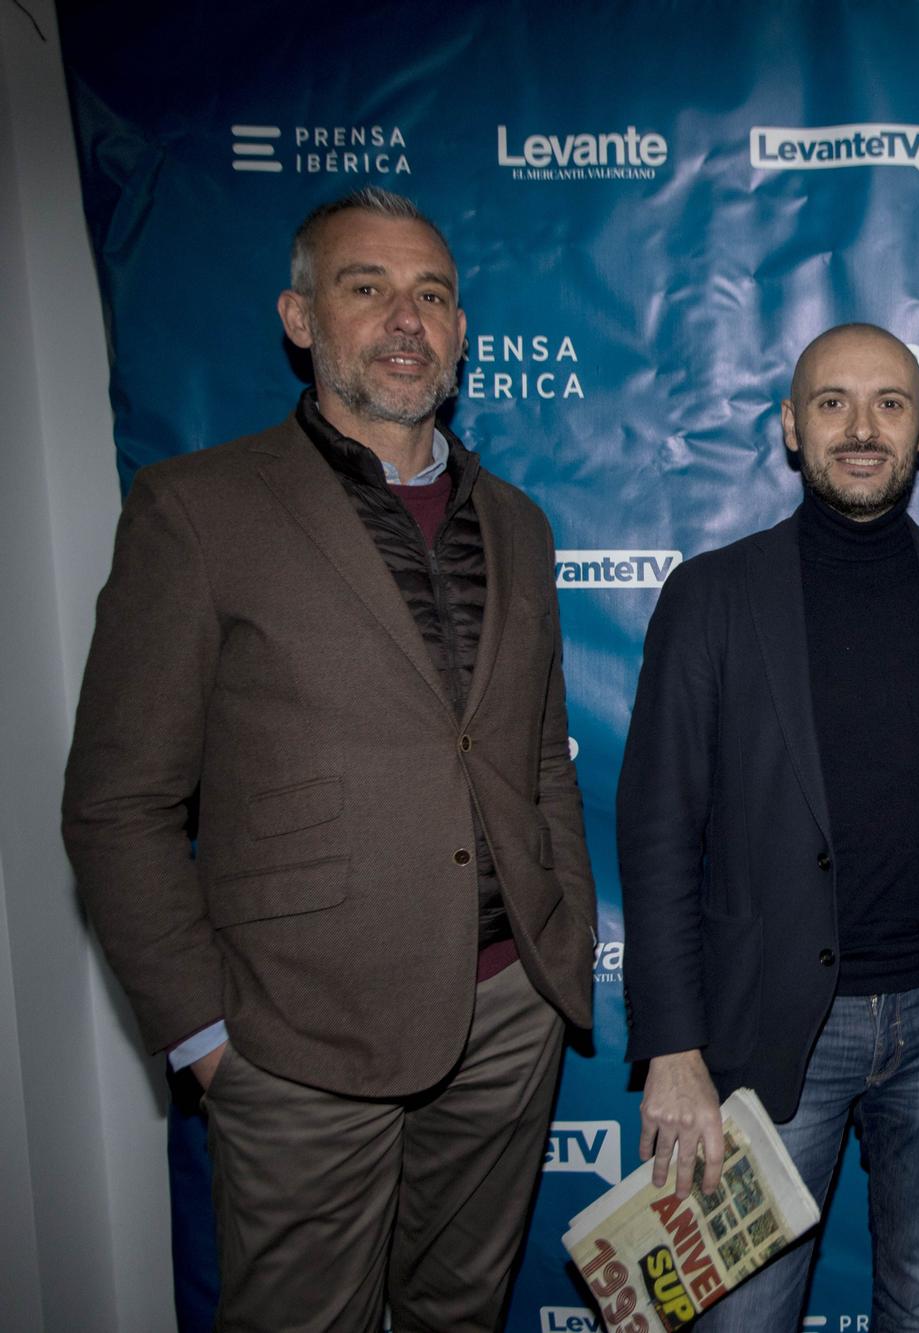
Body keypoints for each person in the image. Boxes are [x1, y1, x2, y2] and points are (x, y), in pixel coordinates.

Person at [62, 186, 597, 1331]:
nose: (407, 318)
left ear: (461, 333)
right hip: (296, 1040)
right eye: (368, 288)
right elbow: (119, 804)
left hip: (506, 1016)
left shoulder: (518, 522)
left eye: (433, 295)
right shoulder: (197, 508)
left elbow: (536, 758)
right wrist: (209, 1043)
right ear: (300, 319)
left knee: (458, 1311)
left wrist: (558, 941)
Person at [619, 322, 919, 1332]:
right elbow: (656, 829)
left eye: (888, 404)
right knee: (746, 1314)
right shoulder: (711, 596)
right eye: (831, 403)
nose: (861, 428)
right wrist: (672, 1048)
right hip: (769, 1032)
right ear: (789, 428)